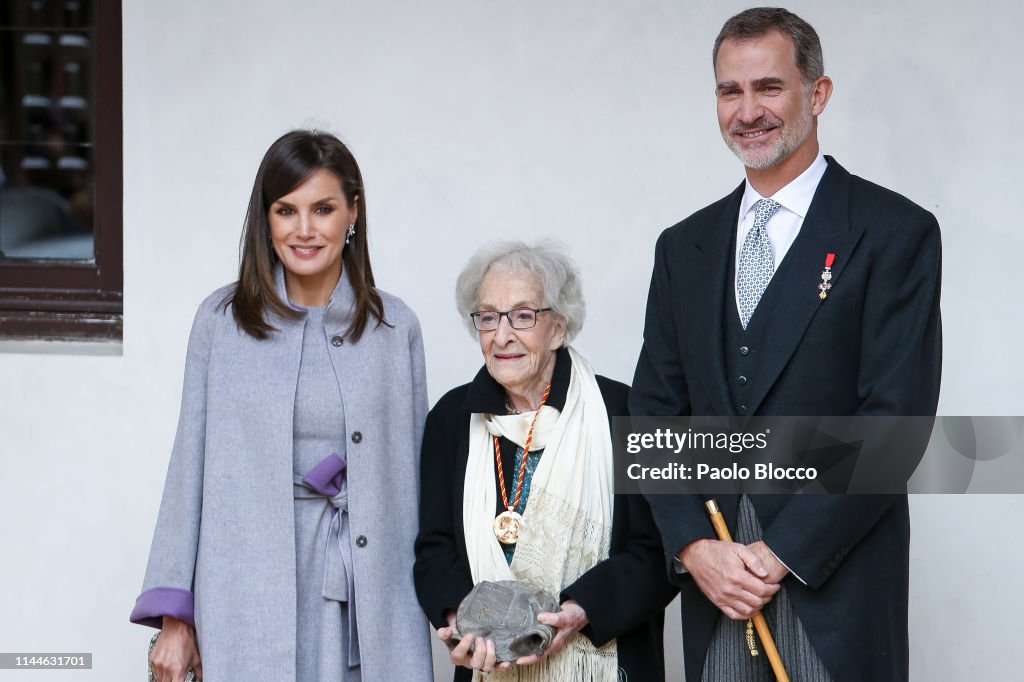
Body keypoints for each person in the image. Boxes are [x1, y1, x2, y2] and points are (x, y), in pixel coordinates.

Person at [630, 8, 941, 682]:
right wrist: (693, 547)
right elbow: (654, 415)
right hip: (716, 595)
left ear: (817, 94)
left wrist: (779, 553)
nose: (748, 111)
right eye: (729, 91)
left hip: (835, 591)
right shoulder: (683, 247)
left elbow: (895, 425)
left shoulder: (894, 232)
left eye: (768, 87)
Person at [130, 130, 433, 682]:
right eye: (285, 210)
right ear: (265, 220)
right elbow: (187, 466)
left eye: (323, 208)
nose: (305, 229)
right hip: (244, 587)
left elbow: (414, 480)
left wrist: (448, 599)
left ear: (353, 213)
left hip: (366, 591)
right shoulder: (220, 322)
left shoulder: (396, 329)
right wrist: (176, 617)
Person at [414, 242, 677, 681]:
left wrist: (580, 610)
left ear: (559, 327)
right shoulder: (450, 419)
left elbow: (658, 554)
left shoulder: (625, 412)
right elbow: (434, 548)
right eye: (488, 317)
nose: (502, 336)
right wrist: (462, 620)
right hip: (488, 667)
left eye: (522, 316)